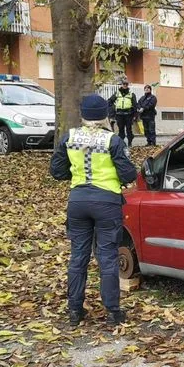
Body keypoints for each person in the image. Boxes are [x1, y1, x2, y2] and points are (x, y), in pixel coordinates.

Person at [49, 94, 138, 327]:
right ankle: (113, 312)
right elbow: (128, 174)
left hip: (78, 201)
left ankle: (74, 311)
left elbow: (56, 171)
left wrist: (77, 176)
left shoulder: (69, 137)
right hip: (107, 202)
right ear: (105, 115)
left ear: (83, 115)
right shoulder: (113, 140)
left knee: (78, 256)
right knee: (107, 257)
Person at [108, 77, 135, 148]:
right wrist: (112, 109)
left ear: (128, 85)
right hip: (119, 114)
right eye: (124, 84)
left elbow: (135, 105)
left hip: (128, 114)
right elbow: (110, 101)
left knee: (129, 129)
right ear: (121, 84)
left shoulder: (131, 94)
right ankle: (121, 144)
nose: (125, 85)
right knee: (121, 130)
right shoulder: (117, 93)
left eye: (126, 84)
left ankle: (130, 143)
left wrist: (135, 115)